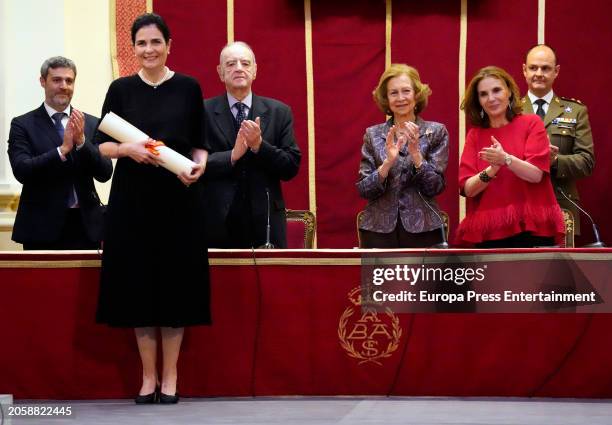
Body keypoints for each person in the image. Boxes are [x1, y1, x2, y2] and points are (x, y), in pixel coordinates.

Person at [94, 13, 210, 404]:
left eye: (155, 42)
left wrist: (198, 167)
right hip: (132, 204)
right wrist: (127, 148)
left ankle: (171, 376)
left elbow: (200, 144)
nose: (148, 50)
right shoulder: (121, 89)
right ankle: (147, 377)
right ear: (133, 48)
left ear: (168, 45)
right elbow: (102, 146)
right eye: (141, 43)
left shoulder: (189, 88)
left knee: (175, 288)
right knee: (138, 288)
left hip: (179, 202)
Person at [7, 56, 112, 250]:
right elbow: (22, 170)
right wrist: (61, 151)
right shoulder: (22, 124)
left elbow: (105, 173)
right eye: (56, 80)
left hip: (86, 226)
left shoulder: (91, 123)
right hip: (41, 227)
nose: (64, 86)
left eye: (69, 81)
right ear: (42, 81)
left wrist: (82, 142)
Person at [203, 41, 301, 248]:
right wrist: (232, 155)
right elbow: (194, 165)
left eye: (245, 63)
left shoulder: (279, 112)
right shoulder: (203, 111)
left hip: (266, 221)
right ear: (220, 72)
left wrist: (259, 146)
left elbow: (291, 167)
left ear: (254, 70)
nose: (238, 68)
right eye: (230, 64)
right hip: (218, 220)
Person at [456, 66, 564, 248]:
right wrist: (492, 169)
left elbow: (536, 175)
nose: (491, 98)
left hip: (532, 228)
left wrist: (506, 159)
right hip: (489, 231)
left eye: (497, 90)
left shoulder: (531, 123)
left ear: (509, 92)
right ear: (479, 101)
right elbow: (468, 189)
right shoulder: (475, 135)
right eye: (483, 94)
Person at [356, 64, 449, 248]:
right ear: (386, 98)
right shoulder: (372, 135)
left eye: (406, 91)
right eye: (393, 93)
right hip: (378, 229)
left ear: (416, 94)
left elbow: (435, 187)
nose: (400, 98)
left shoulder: (436, 132)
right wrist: (387, 164)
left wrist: (416, 155)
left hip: (424, 228)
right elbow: (364, 190)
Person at [521, 44, 595, 234]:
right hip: (519, 205)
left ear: (556, 71)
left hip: (561, 205)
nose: (539, 73)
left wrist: (555, 161)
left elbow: (586, 162)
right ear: (524, 70)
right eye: (533, 67)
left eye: (545, 68)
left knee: (560, 264)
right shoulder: (510, 111)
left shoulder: (576, 111)